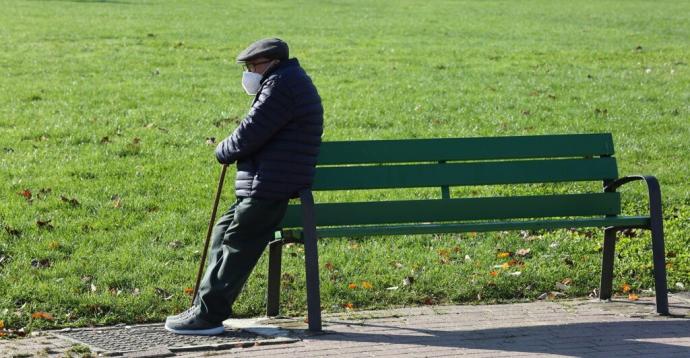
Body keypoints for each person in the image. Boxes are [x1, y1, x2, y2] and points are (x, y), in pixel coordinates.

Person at [165, 38, 324, 335]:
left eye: (253, 66)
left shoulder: (281, 86)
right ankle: (202, 306)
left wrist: (222, 150)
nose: (249, 72)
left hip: (271, 185)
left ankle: (208, 317)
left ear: (272, 62)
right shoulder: (284, 80)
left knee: (237, 241)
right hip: (269, 181)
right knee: (223, 231)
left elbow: (250, 132)